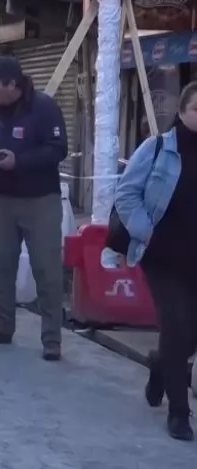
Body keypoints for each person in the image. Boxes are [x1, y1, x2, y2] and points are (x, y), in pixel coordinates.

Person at [0, 56, 67, 361]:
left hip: (40, 200)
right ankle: (1, 326)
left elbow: (58, 149)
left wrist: (19, 162)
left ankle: (51, 339)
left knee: (46, 269)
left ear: (11, 84)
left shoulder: (44, 107)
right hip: (4, 199)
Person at [115, 82, 197, 442]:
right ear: (182, 111)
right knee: (178, 328)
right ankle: (180, 413)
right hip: (162, 256)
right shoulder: (159, 147)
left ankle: (161, 363)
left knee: (189, 335)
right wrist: (146, 232)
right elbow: (126, 193)